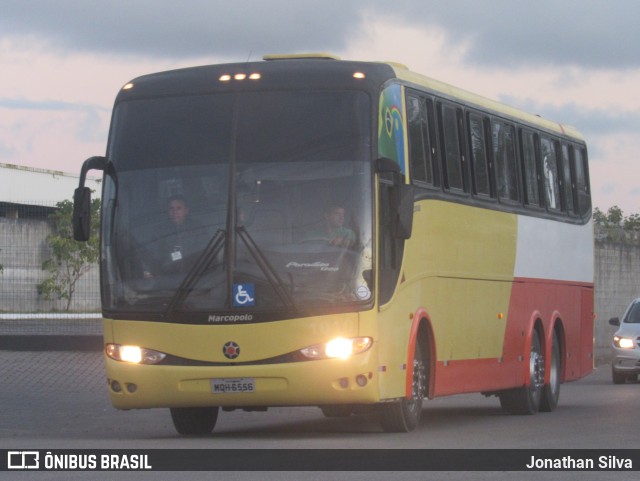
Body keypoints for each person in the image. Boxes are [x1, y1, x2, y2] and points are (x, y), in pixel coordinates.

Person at [144, 195, 208, 278]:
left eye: (179, 208)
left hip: (194, 276)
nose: (175, 212)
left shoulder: (197, 227)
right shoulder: (159, 231)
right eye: (171, 208)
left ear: (186, 210)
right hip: (168, 277)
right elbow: (154, 256)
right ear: (167, 211)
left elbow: (205, 253)